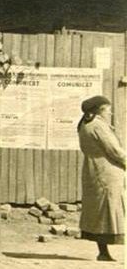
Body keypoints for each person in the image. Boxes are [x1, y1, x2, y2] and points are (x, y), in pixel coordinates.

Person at [77, 95, 125, 262]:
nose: (110, 112)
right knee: (107, 211)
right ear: (99, 111)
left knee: (99, 213)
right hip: (106, 172)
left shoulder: (84, 124)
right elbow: (114, 150)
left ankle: (103, 252)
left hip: (93, 171)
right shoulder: (98, 126)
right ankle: (103, 253)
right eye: (108, 109)